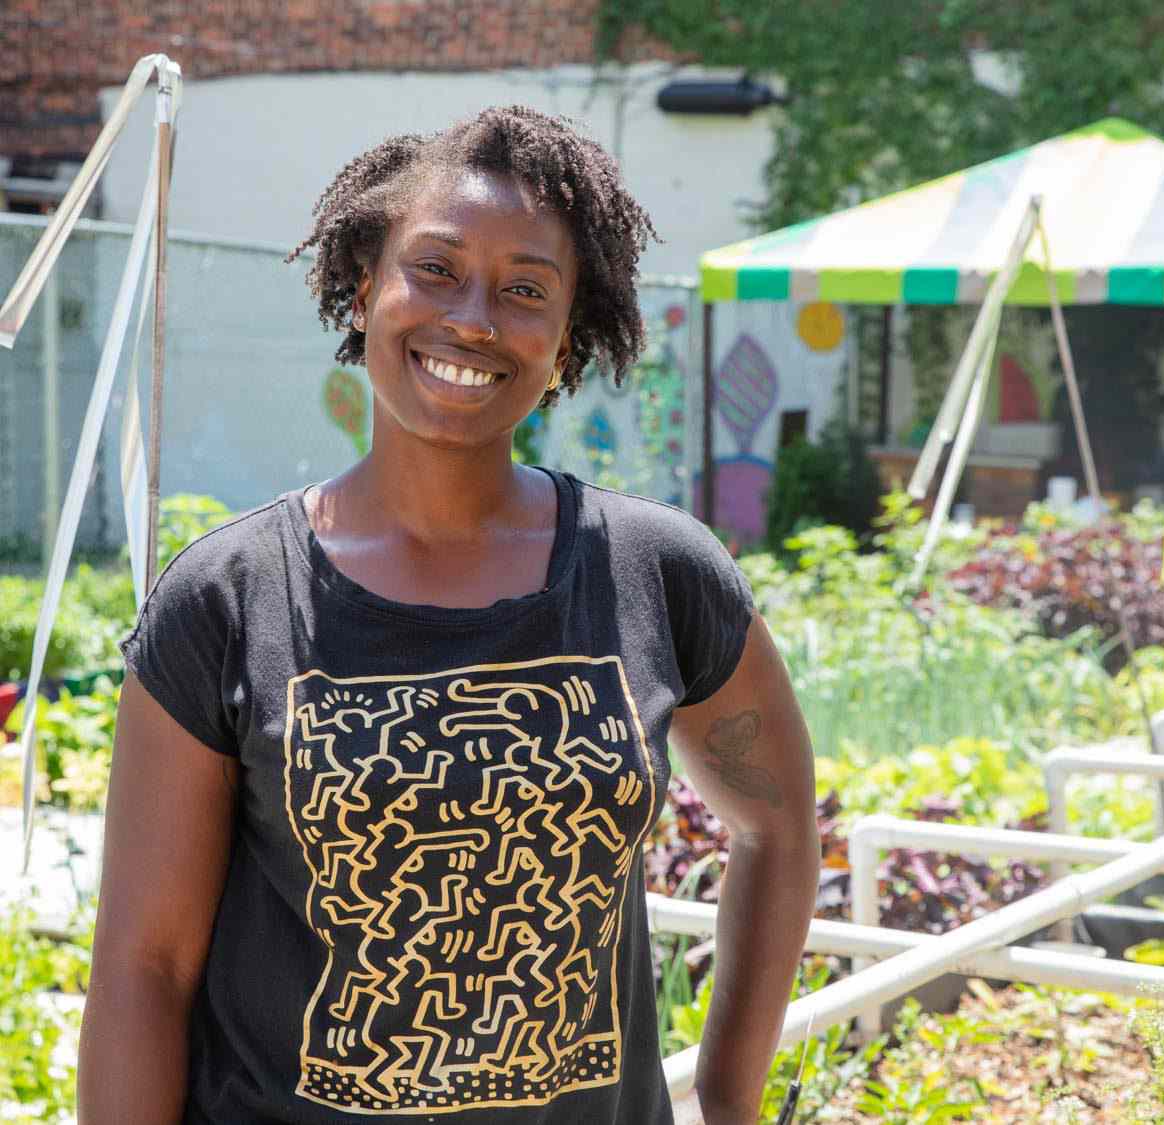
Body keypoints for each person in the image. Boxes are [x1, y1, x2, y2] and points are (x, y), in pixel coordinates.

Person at [77, 106, 819, 1125]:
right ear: (360, 288)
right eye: (433, 268)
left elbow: (777, 828)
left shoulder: (658, 572)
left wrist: (730, 1101)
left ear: (566, 341)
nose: (473, 318)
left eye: (525, 290)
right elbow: (144, 968)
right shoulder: (228, 597)